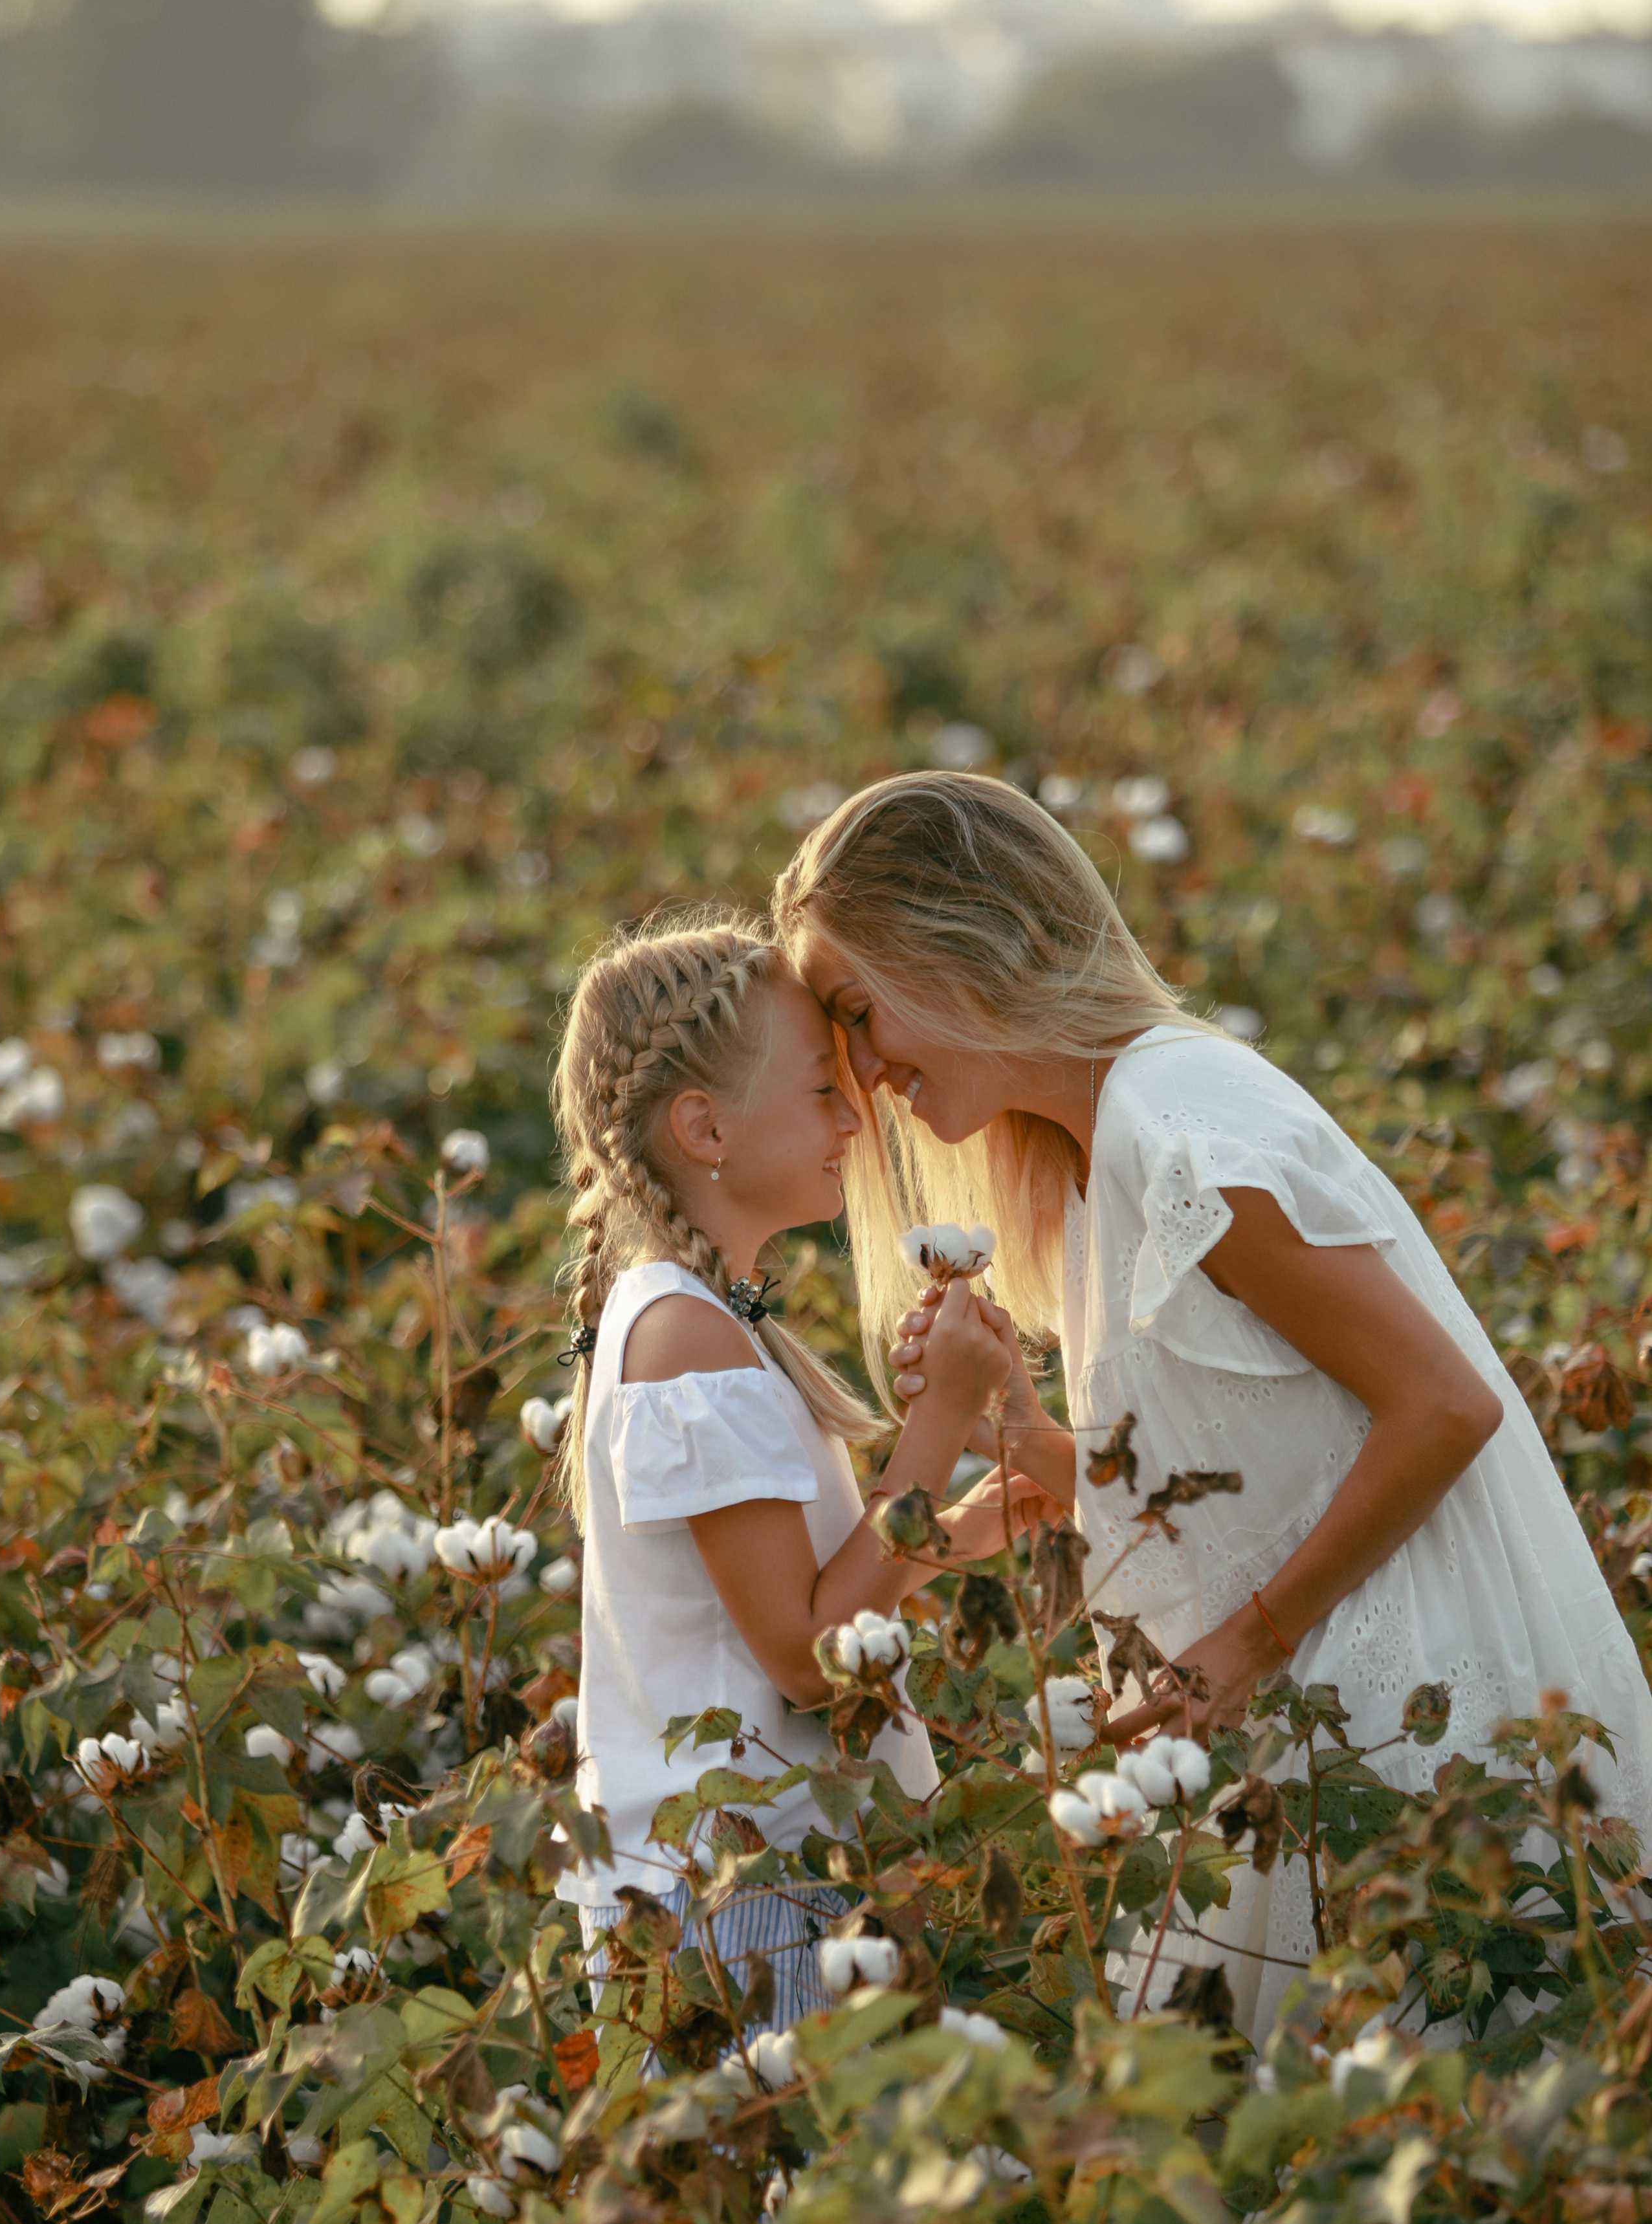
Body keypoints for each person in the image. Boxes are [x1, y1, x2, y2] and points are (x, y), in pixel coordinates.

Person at [773, 771, 1652, 2039]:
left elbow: (1443, 1411)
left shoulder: (1176, 1134)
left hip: (1413, 1741)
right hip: (1311, 1744)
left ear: (955, 943)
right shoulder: (1093, 1151)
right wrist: (1026, 1440)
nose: (863, 1073)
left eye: (858, 1013)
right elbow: (1240, 1481)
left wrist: (1240, 1646)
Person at [551, 910, 1052, 2037]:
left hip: (756, 1880)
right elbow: (810, 1660)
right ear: (705, 1127)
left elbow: (810, 1596)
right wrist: (939, 1423)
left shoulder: (709, 1320)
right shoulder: (687, 1341)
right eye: (823, 1091)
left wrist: (964, 1527)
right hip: (741, 1901)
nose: (858, 1118)